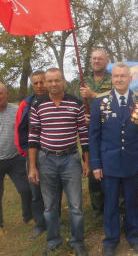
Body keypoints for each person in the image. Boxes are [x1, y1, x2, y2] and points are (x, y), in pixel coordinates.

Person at [89, 62, 138, 256]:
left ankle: (134, 236)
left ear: (130, 78)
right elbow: (94, 135)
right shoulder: (100, 101)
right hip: (108, 163)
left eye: (123, 76)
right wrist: (96, 164)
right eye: (115, 76)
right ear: (112, 78)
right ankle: (111, 239)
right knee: (110, 204)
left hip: (133, 162)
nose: (119, 79)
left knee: (133, 203)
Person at [27, 68, 89, 256]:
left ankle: (77, 241)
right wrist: (32, 166)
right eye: (49, 81)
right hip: (46, 160)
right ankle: (53, 240)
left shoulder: (76, 103)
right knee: (50, 206)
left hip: (70, 159)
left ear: (63, 81)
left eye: (57, 80)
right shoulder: (38, 105)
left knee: (76, 206)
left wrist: (87, 162)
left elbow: (84, 136)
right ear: (45, 83)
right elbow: (33, 137)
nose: (53, 84)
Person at [15, 71, 60, 239]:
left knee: (54, 190)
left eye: (42, 82)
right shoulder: (26, 104)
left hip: (53, 153)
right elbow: (19, 128)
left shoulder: (56, 100)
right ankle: (40, 224)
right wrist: (23, 151)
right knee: (35, 190)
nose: (40, 86)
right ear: (32, 85)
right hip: (33, 154)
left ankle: (55, 221)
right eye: (36, 83)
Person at [78, 49, 112, 217]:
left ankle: (114, 204)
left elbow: (115, 100)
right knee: (93, 169)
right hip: (90, 131)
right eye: (94, 58)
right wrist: (81, 117)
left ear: (107, 61)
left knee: (111, 167)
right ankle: (97, 207)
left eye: (100, 58)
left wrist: (93, 95)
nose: (96, 61)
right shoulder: (83, 81)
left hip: (110, 130)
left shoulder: (114, 78)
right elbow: (75, 104)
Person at [0, 83, 33, 235]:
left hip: (15, 159)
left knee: (25, 190)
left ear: (7, 94)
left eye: (1, 93)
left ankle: (28, 217)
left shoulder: (16, 110)